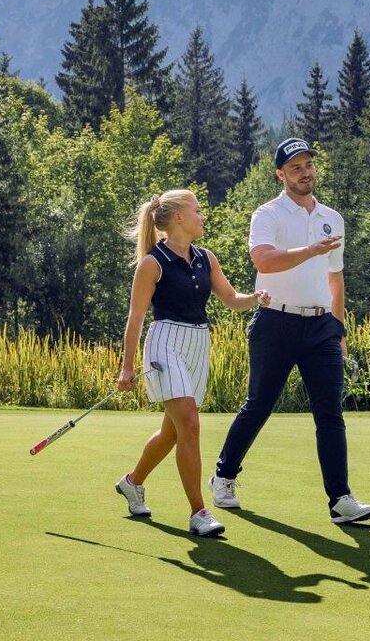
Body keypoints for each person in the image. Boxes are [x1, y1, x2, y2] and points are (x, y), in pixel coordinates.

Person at [210, 138, 370, 524]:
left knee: (330, 413)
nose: (305, 172)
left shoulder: (331, 218)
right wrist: (310, 251)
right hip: (276, 322)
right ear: (281, 174)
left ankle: (340, 499)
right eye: (296, 167)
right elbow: (264, 261)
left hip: (321, 326)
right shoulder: (267, 214)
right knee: (259, 406)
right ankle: (223, 476)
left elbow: (335, 278)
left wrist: (339, 328)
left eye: (309, 165)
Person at [114, 188, 269, 537]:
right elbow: (134, 320)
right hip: (165, 343)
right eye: (197, 210)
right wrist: (126, 368)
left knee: (174, 431)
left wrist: (256, 298)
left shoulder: (206, 258)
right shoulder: (152, 263)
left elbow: (231, 300)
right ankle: (199, 512)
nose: (203, 215)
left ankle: (132, 482)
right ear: (179, 218)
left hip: (198, 344)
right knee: (191, 424)